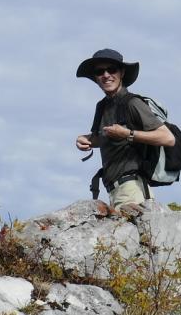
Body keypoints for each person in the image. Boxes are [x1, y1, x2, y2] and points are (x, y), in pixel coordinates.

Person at [74, 48, 175, 208]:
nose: (106, 75)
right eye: (100, 71)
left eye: (111, 69)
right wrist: (86, 140)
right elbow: (103, 137)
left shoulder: (132, 103)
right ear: (96, 77)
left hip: (132, 188)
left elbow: (167, 138)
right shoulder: (102, 107)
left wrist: (127, 134)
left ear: (121, 72)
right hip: (112, 190)